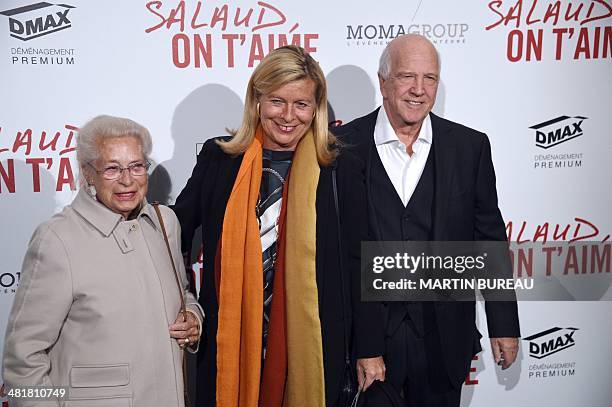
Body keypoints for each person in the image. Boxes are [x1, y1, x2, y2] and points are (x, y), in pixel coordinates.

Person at [172, 45, 385, 407]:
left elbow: (360, 261)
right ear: (257, 100)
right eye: (277, 101)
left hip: (312, 341)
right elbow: (174, 231)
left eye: (301, 104)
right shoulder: (218, 158)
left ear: (316, 108)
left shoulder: (339, 168)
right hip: (231, 339)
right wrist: (184, 302)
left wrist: (369, 348)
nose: (288, 116)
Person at [335, 34, 520, 407]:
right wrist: (364, 344)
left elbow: (488, 239)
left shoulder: (469, 148)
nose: (419, 90)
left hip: (443, 335)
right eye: (406, 77)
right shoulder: (341, 145)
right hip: (367, 340)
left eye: (430, 78)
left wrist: (504, 324)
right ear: (383, 81)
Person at [2, 115, 203, 407]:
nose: (127, 180)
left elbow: (183, 293)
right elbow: (22, 360)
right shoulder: (57, 239)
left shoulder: (164, 222)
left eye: (136, 166)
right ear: (88, 173)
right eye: (112, 168)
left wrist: (193, 317)